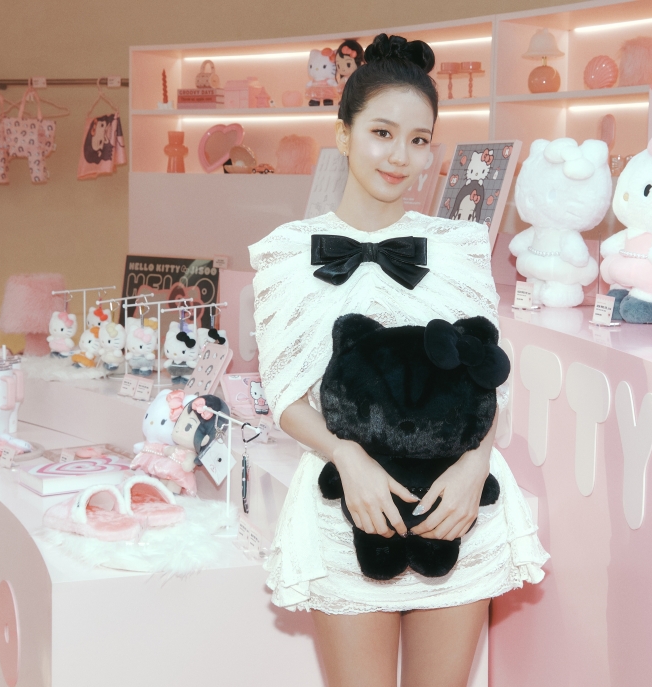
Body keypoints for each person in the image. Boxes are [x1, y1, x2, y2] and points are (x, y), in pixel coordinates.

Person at [249, 33, 549, 687]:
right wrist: (348, 458)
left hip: (457, 510)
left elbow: (486, 381)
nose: (400, 156)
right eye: (382, 133)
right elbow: (285, 396)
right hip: (345, 509)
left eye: (418, 140)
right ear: (344, 133)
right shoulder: (288, 253)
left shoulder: (460, 247)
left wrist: (474, 467)